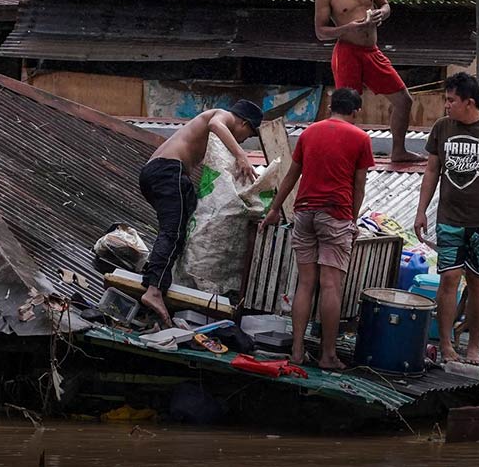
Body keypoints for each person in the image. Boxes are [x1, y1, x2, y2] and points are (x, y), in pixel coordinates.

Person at [261, 88, 374, 369]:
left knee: (305, 283)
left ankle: (297, 352)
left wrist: (274, 209)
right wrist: (352, 220)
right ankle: (328, 355)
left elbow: (291, 175)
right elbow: (358, 187)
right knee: (330, 284)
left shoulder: (309, 133)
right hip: (335, 213)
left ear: (330, 107)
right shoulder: (360, 139)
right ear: (355, 111)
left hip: (304, 212)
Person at [414, 73, 479, 365]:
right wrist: (421, 210)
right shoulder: (442, 128)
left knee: (478, 282)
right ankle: (446, 344)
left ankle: (474, 345)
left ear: (468, 102)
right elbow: (432, 170)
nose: (446, 106)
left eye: (451, 100)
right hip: (449, 218)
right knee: (448, 278)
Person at [139, 100, 263, 324]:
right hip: (168, 171)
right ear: (244, 122)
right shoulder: (221, 115)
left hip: (166, 174)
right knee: (173, 231)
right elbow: (216, 124)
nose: (244, 139)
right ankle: (154, 289)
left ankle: (152, 281)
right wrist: (241, 155)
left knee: (180, 230)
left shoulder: (217, 134)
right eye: (248, 134)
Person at [314, 0, 423, 163]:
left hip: (371, 50)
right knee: (346, 107)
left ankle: (399, 151)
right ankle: (342, 155)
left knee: (404, 100)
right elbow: (320, 31)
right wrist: (347, 28)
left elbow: (386, 5)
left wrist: (381, 14)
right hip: (346, 52)